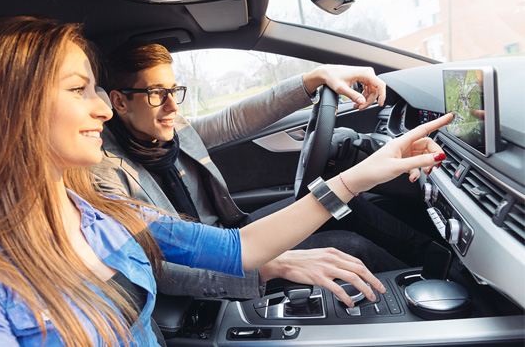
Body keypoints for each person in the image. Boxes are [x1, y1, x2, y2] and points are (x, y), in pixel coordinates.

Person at [0, 16, 452, 346]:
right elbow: (212, 266)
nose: (103, 112)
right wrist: (277, 266)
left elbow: (242, 245)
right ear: (11, 110)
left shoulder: (98, 211)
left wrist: (358, 176)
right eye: (79, 91)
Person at [92, 43, 430, 300]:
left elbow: (236, 120)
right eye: (156, 94)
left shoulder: (169, 129)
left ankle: (433, 261)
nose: (172, 105)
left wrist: (314, 78)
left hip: (234, 233)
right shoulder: (104, 174)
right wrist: (266, 269)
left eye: (173, 90)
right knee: (350, 245)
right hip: (214, 267)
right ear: (119, 103)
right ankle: (428, 295)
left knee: (338, 203)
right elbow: (157, 269)